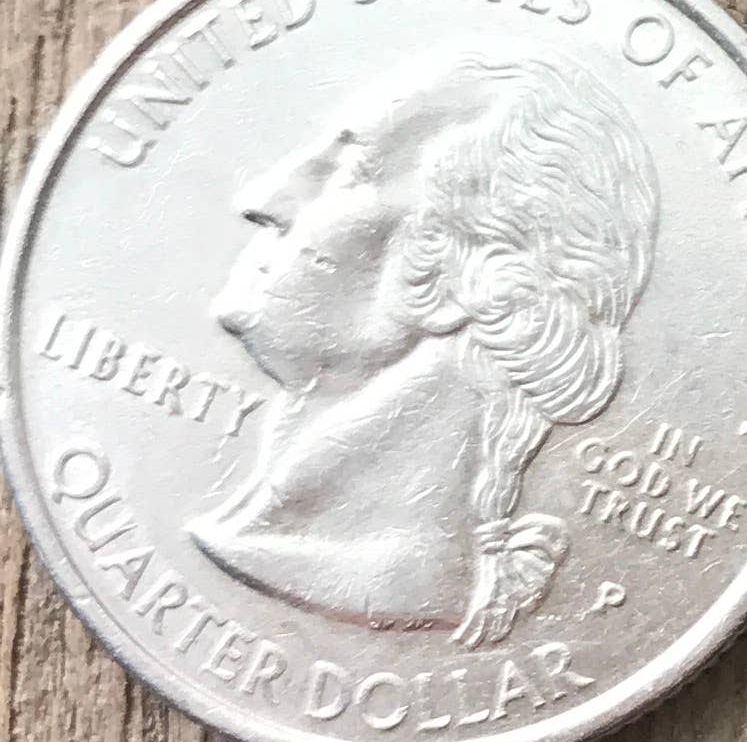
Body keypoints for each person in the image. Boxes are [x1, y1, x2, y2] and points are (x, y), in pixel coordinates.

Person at [195, 55, 660, 646]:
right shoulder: (260, 542)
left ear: (463, 273)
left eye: (351, 170)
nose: (266, 198)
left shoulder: (371, 580)